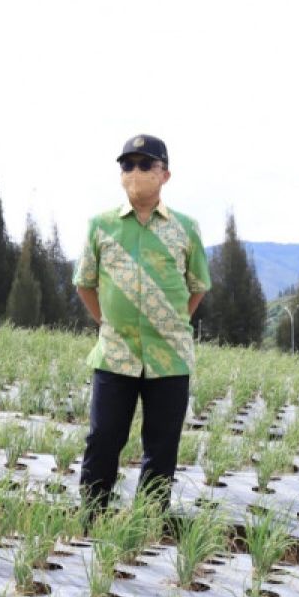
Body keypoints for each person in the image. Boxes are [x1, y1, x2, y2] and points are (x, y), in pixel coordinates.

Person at [73, 134, 211, 519]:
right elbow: (85, 282)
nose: (134, 173)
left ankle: (147, 525)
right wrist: (106, 321)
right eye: (127, 165)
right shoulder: (101, 226)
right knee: (103, 438)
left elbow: (198, 286)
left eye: (144, 165)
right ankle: (92, 520)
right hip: (115, 354)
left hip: (170, 358)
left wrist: (171, 320)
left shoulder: (186, 228)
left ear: (164, 174)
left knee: (162, 445)